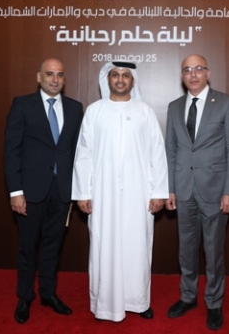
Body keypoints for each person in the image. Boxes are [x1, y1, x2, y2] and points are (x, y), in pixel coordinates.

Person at [72, 61, 168, 322]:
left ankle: (138, 301)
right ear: (108, 79)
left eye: (126, 75)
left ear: (132, 81)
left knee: (138, 246)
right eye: (115, 75)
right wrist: (83, 193)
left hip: (140, 194)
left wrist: (159, 192)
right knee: (104, 246)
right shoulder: (95, 111)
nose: (120, 79)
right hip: (103, 194)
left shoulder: (145, 111)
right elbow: (83, 154)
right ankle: (105, 304)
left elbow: (157, 154)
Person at [165, 54, 229, 330]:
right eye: (187, 70)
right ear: (182, 75)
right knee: (186, 250)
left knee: (213, 251)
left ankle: (214, 302)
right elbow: (171, 150)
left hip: (215, 190)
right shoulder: (174, 107)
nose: (193, 74)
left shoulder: (226, 103)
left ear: (207, 73)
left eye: (198, 68)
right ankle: (188, 297)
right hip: (183, 190)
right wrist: (170, 188)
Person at [3, 58, 84, 324]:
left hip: (61, 192)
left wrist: (75, 191)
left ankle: (48, 294)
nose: (54, 79)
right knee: (27, 248)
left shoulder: (75, 108)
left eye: (59, 74)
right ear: (39, 77)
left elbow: (77, 153)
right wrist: (15, 191)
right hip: (30, 192)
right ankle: (25, 297)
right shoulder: (22, 105)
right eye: (49, 74)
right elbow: (11, 150)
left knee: (53, 246)